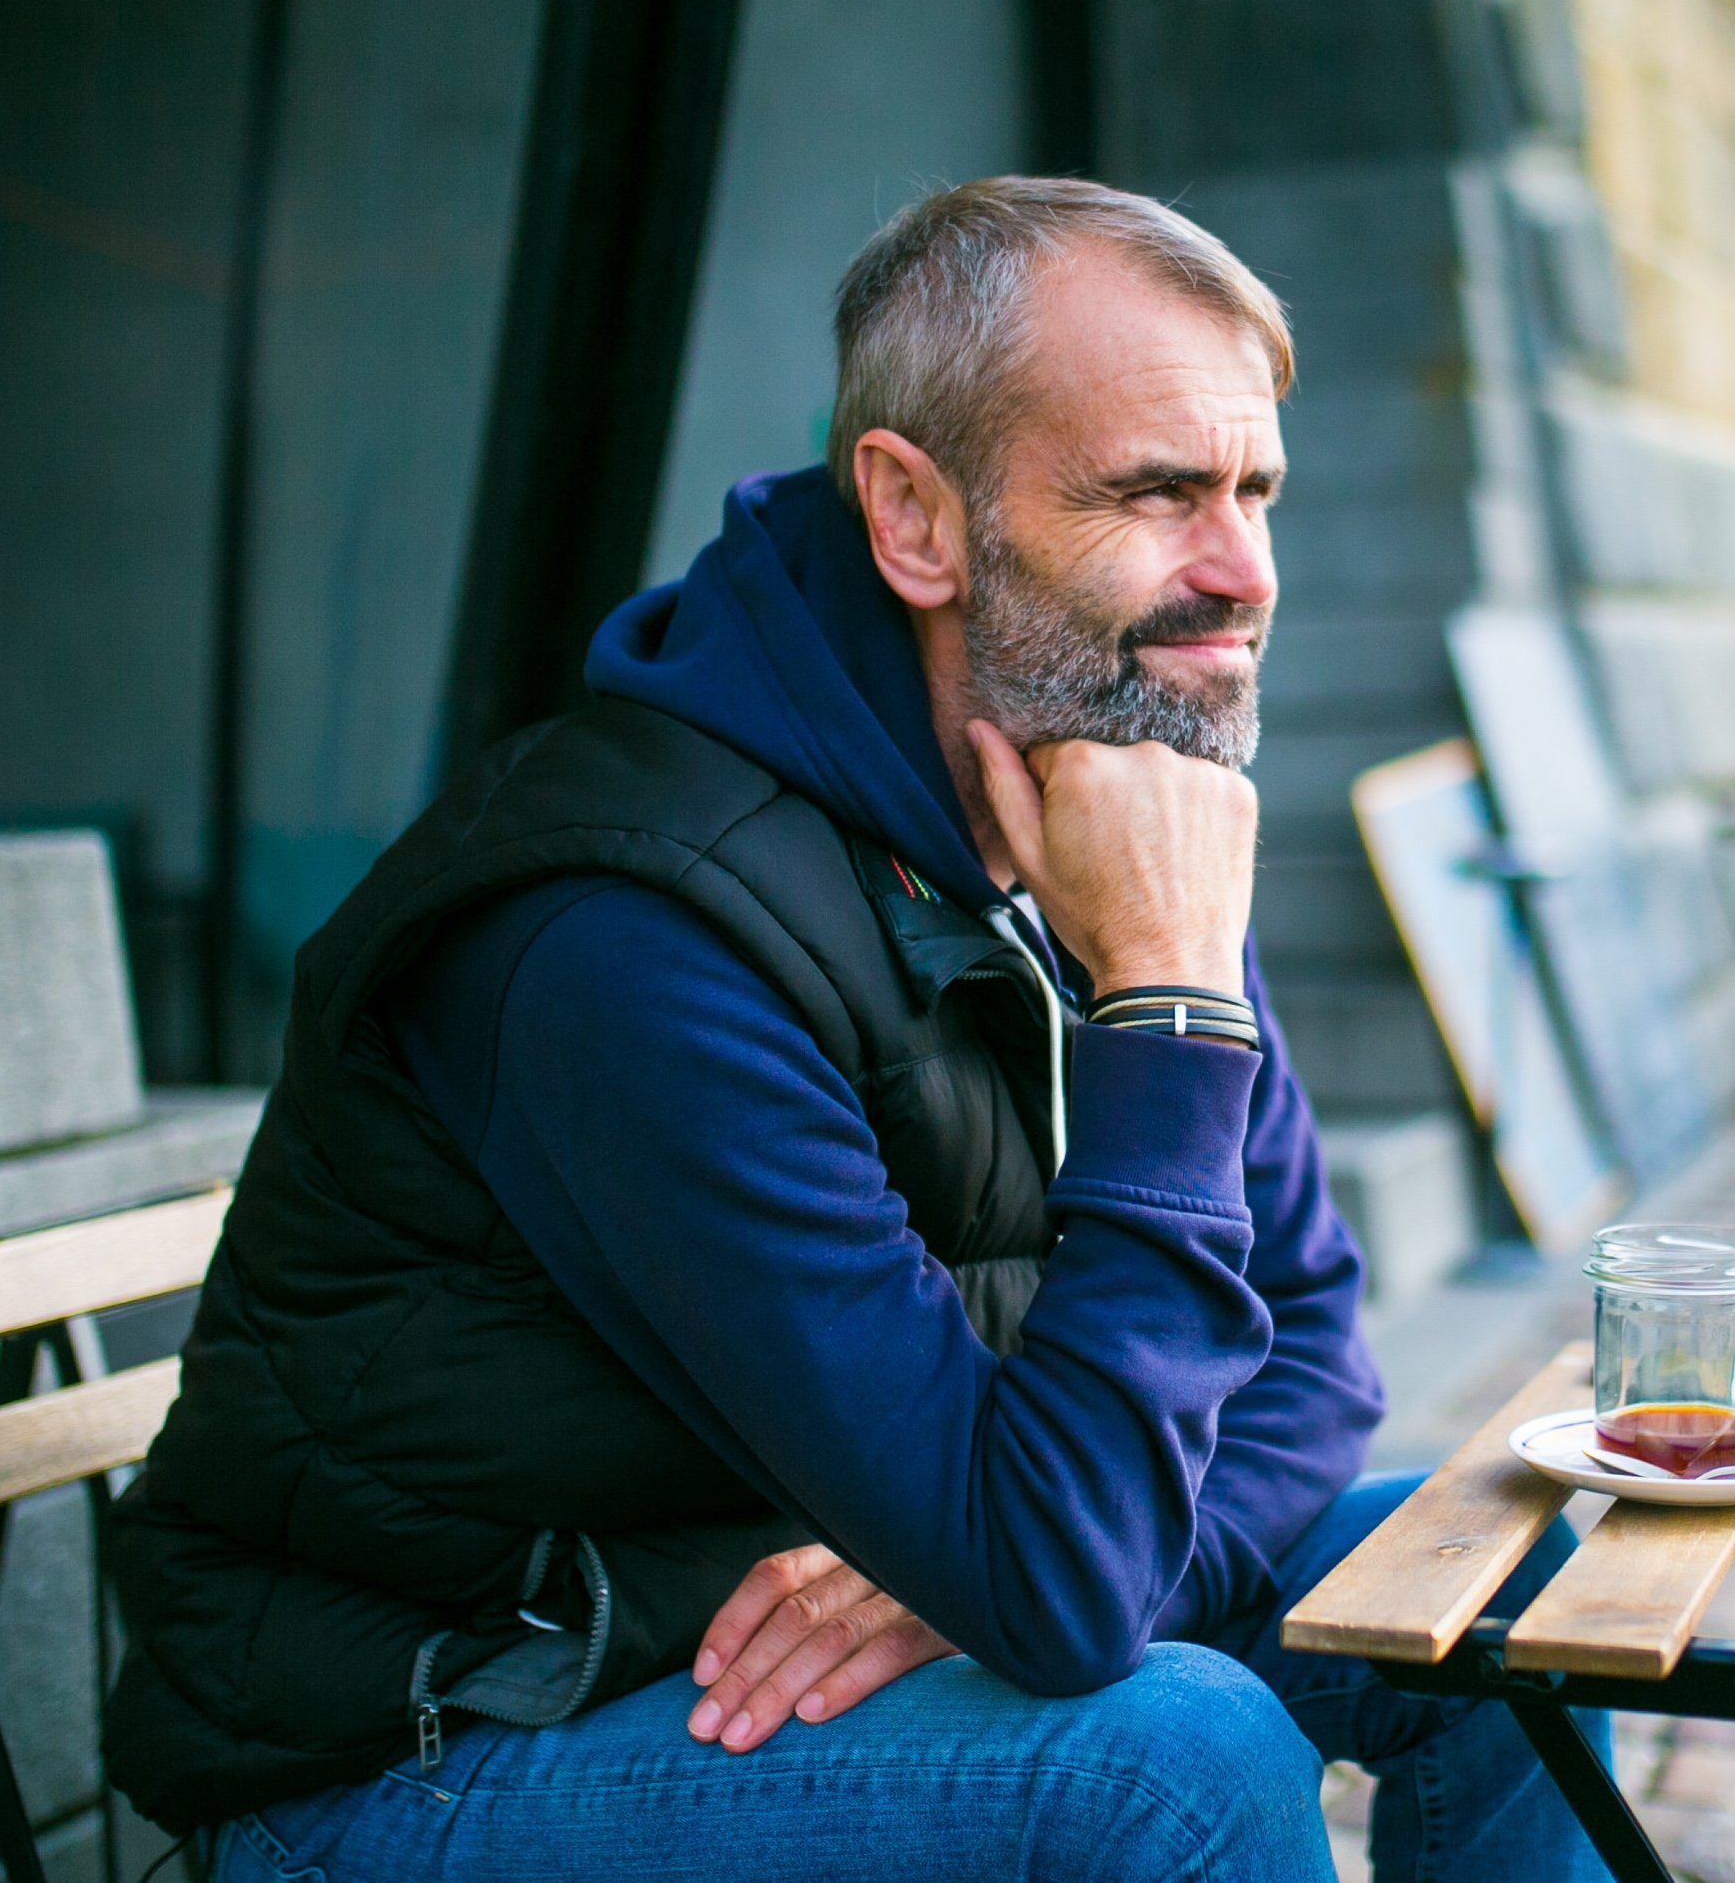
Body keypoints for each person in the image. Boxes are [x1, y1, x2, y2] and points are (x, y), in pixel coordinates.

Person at [105, 178, 1608, 1883]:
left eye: (1258, 489)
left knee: (1510, 1597)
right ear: (915, 518)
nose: (1244, 574)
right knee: (1173, 1764)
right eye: (1159, 493)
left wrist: (953, 1578)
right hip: (424, 1755)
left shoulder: (1117, 792)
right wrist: (1169, 1006)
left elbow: (1313, 1344)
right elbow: (1064, 1589)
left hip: (799, 1626)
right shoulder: (633, 933)